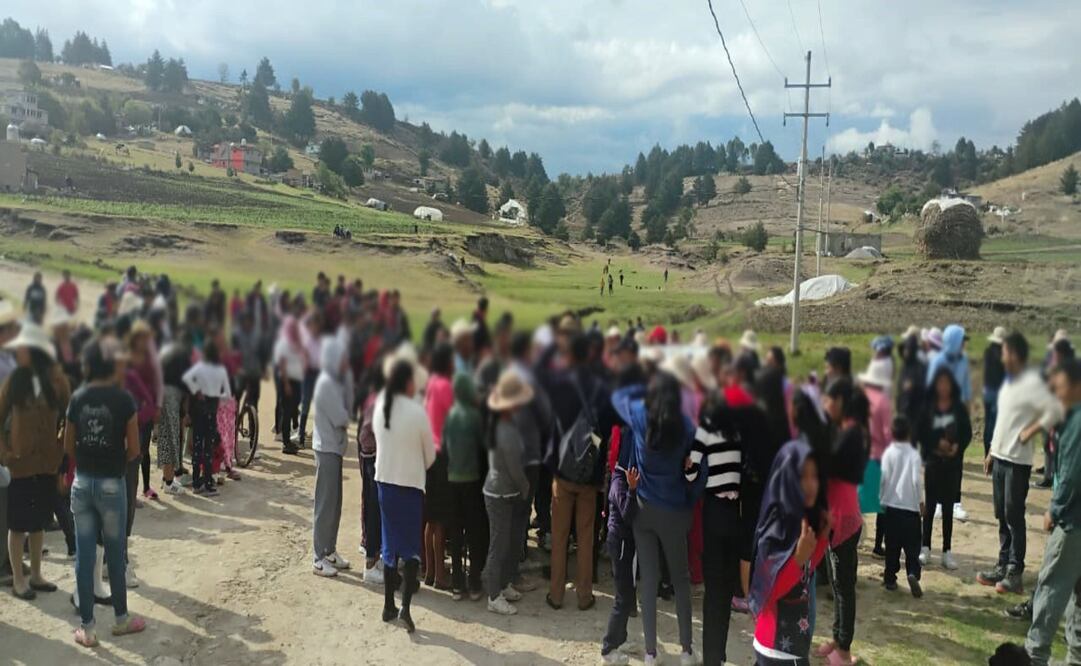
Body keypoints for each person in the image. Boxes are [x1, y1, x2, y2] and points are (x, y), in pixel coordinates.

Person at [613, 371, 700, 665]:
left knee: (648, 581)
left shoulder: (639, 415)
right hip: (674, 509)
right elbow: (695, 467)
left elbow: (618, 397)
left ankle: (650, 652)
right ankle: (686, 651)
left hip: (643, 507)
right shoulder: (685, 425)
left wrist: (640, 380)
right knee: (681, 580)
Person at [65, 337, 147, 647]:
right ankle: (121, 619)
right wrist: (114, 460)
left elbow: (67, 445)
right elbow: (135, 449)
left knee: (84, 556)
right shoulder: (124, 400)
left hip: (82, 482)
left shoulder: (78, 398)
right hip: (112, 483)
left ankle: (87, 629)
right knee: (115, 553)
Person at [979, 333, 1063, 595]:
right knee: (1001, 514)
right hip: (1000, 457)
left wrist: (1031, 430)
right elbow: (1001, 420)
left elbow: (1054, 410)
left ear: (1014, 353)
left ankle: (1015, 571)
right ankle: (1002, 564)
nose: (1001, 356)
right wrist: (992, 451)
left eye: (1004, 351)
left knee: (1013, 514)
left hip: (1017, 461)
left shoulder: (1032, 382)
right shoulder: (1008, 383)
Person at [749, 406, 830, 666]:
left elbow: (807, 570)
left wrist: (822, 540)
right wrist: (797, 559)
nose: (810, 484)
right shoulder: (776, 527)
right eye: (802, 476)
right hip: (778, 647)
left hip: (790, 643)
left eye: (815, 476)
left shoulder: (799, 520)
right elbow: (768, 592)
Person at [0, 323, 71, 601]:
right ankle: (19, 579)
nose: (18, 351)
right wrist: (5, 453)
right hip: (20, 464)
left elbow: (69, 414)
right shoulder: (14, 381)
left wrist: (60, 447)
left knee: (39, 521)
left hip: (46, 463)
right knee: (18, 524)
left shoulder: (56, 380)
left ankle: (37, 575)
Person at [1025, 359, 1081, 666]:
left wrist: (1054, 510)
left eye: (1058, 387)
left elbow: (1071, 475)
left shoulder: (1077, 421)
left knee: (1051, 587)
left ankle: (1034, 656)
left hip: (1073, 523)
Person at [374, 356, 436, 634]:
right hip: (409, 486)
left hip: (385, 483)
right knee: (410, 549)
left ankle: (388, 605)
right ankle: (405, 608)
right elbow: (430, 456)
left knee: (390, 546)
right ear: (408, 382)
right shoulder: (416, 412)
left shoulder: (381, 406)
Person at [687, 389, 743, 665]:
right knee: (727, 589)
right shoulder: (741, 430)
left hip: (713, 511)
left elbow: (691, 472)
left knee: (713, 589)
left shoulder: (705, 428)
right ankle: (719, 652)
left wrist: (688, 467)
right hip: (736, 513)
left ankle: (711, 657)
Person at [817, 378, 869, 666]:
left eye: (828, 400)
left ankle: (845, 652)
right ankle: (838, 640)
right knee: (838, 586)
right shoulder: (844, 430)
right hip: (838, 517)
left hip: (844, 521)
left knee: (844, 587)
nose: (825, 405)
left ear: (839, 401)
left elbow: (828, 468)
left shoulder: (850, 433)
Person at [482, 370, 534, 616]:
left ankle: (502, 585)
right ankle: (493, 595)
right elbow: (514, 467)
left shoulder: (500, 424)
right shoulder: (506, 430)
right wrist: (526, 487)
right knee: (499, 545)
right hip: (501, 493)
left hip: (501, 491)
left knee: (506, 542)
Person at [917, 367, 971, 571]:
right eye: (940, 383)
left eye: (946, 383)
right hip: (933, 461)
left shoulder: (958, 407)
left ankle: (947, 550)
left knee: (948, 507)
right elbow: (922, 431)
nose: (943, 387)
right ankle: (925, 547)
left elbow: (966, 432)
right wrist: (936, 443)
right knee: (930, 506)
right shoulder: (928, 406)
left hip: (952, 464)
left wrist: (958, 447)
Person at [442, 370, 487, 601]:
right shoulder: (474, 416)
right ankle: (475, 582)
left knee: (456, 534)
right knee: (473, 533)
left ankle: (457, 584)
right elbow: (484, 444)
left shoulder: (450, 415)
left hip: (452, 480)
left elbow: (444, 446)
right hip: (471, 480)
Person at [311, 337, 352, 577]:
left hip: (334, 448)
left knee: (335, 504)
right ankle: (318, 556)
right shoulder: (326, 383)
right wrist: (347, 414)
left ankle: (329, 549)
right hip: (326, 448)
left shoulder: (335, 381)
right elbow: (341, 417)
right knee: (325, 504)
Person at [879, 415, 924, 597]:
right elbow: (916, 481)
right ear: (909, 434)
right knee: (912, 547)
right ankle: (912, 572)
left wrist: (881, 499)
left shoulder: (888, 453)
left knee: (892, 547)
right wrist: (920, 501)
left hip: (891, 508)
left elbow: (883, 478)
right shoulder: (913, 455)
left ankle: (890, 578)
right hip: (910, 510)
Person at [182, 339, 231, 496]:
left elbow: (186, 378)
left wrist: (196, 390)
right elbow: (227, 394)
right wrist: (217, 396)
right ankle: (208, 483)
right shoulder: (220, 370)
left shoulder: (199, 367)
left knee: (197, 446)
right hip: (211, 410)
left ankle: (196, 482)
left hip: (198, 410)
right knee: (208, 448)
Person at [423, 342, 454, 590]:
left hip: (429, 454)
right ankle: (441, 575)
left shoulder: (431, 383)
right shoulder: (446, 386)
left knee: (430, 519)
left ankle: (430, 570)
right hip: (442, 455)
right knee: (441, 519)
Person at [858, 358, 893, 558]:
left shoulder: (861, 400)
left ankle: (855, 537)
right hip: (879, 457)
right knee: (883, 505)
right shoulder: (883, 401)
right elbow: (888, 433)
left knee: (857, 501)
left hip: (861, 455)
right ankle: (878, 545)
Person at [158, 333, 192, 494]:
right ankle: (169, 482)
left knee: (166, 437)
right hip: (172, 395)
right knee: (172, 438)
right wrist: (185, 412)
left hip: (161, 394)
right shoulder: (184, 355)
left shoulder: (166, 351)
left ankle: (166, 478)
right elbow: (187, 383)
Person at [274, 317, 306, 455]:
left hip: (297, 381)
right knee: (286, 411)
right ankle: (286, 442)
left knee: (294, 407)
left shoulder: (297, 342)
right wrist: (286, 384)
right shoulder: (284, 343)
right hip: (286, 381)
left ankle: (289, 439)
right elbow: (282, 364)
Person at [984, 327, 1008, 456]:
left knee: (988, 424)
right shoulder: (1002, 355)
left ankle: (986, 453)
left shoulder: (987, 352)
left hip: (987, 392)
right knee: (994, 426)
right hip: (997, 393)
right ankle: (991, 454)